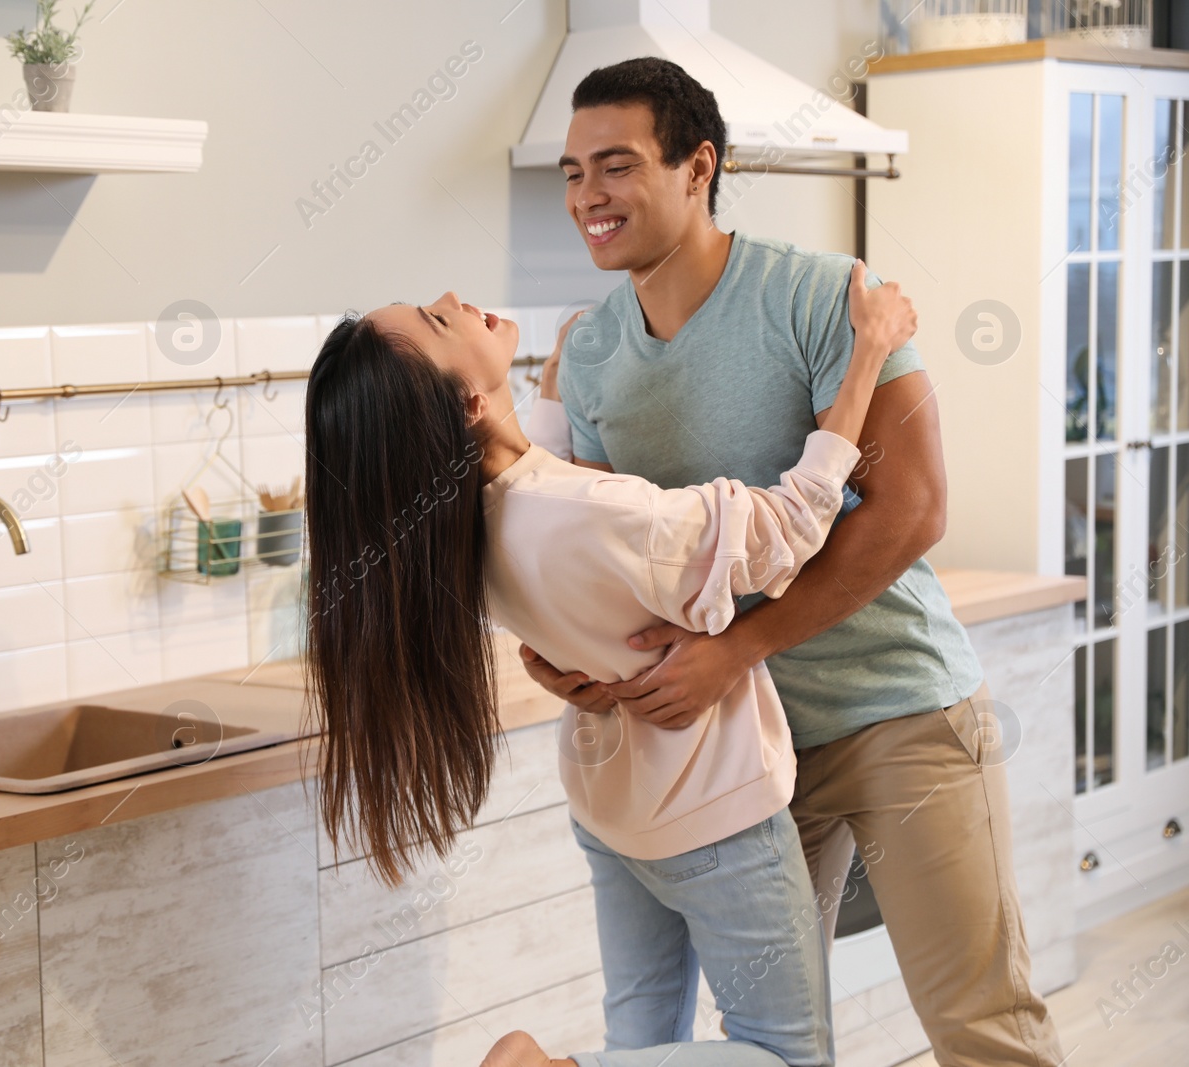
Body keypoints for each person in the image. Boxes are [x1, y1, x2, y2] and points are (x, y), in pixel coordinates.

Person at [519, 57, 1063, 1066]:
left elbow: (914, 507)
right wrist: (562, 656)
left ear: (697, 168)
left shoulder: (822, 295)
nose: (587, 195)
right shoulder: (588, 353)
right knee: (772, 1047)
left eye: (616, 165)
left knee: (981, 1024)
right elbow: (591, 553)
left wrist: (743, 643)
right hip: (743, 753)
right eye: (570, 171)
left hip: (895, 707)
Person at [302, 270, 916, 1067]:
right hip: (713, 815)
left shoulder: (463, 533)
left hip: (614, 814)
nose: (453, 298)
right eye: (435, 320)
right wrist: (870, 346)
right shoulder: (603, 516)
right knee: (787, 1055)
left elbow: (545, 486)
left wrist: (552, 386)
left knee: (644, 1036)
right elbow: (784, 530)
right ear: (465, 407)